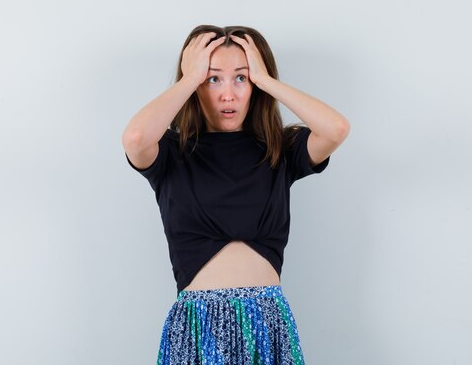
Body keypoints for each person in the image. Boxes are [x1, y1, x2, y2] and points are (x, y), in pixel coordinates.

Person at [121, 24, 350, 365]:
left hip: (266, 325)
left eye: (240, 78)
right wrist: (188, 79)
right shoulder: (172, 152)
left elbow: (336, 128)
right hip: (199, 329)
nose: (228, 94)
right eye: (213, 79)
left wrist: (266, 79)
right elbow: (136, 137)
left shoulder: (279, 150)